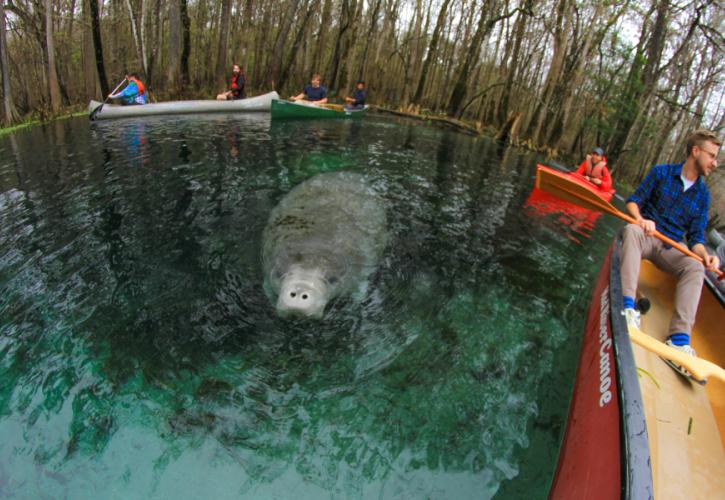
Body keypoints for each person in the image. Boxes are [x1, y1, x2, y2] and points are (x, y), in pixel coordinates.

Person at [620, 129, 721, 377]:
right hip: (646, 237)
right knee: (631, 231)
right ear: (695, 151)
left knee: (695, 266)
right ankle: (628, 308)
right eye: (712, 155)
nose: (715, 163)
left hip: (670, 248)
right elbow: (633, 202)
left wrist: (705, 255)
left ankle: (678, 339)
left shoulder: (703, 195)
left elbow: (696, 237)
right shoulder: (661, 173)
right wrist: (641, 219)